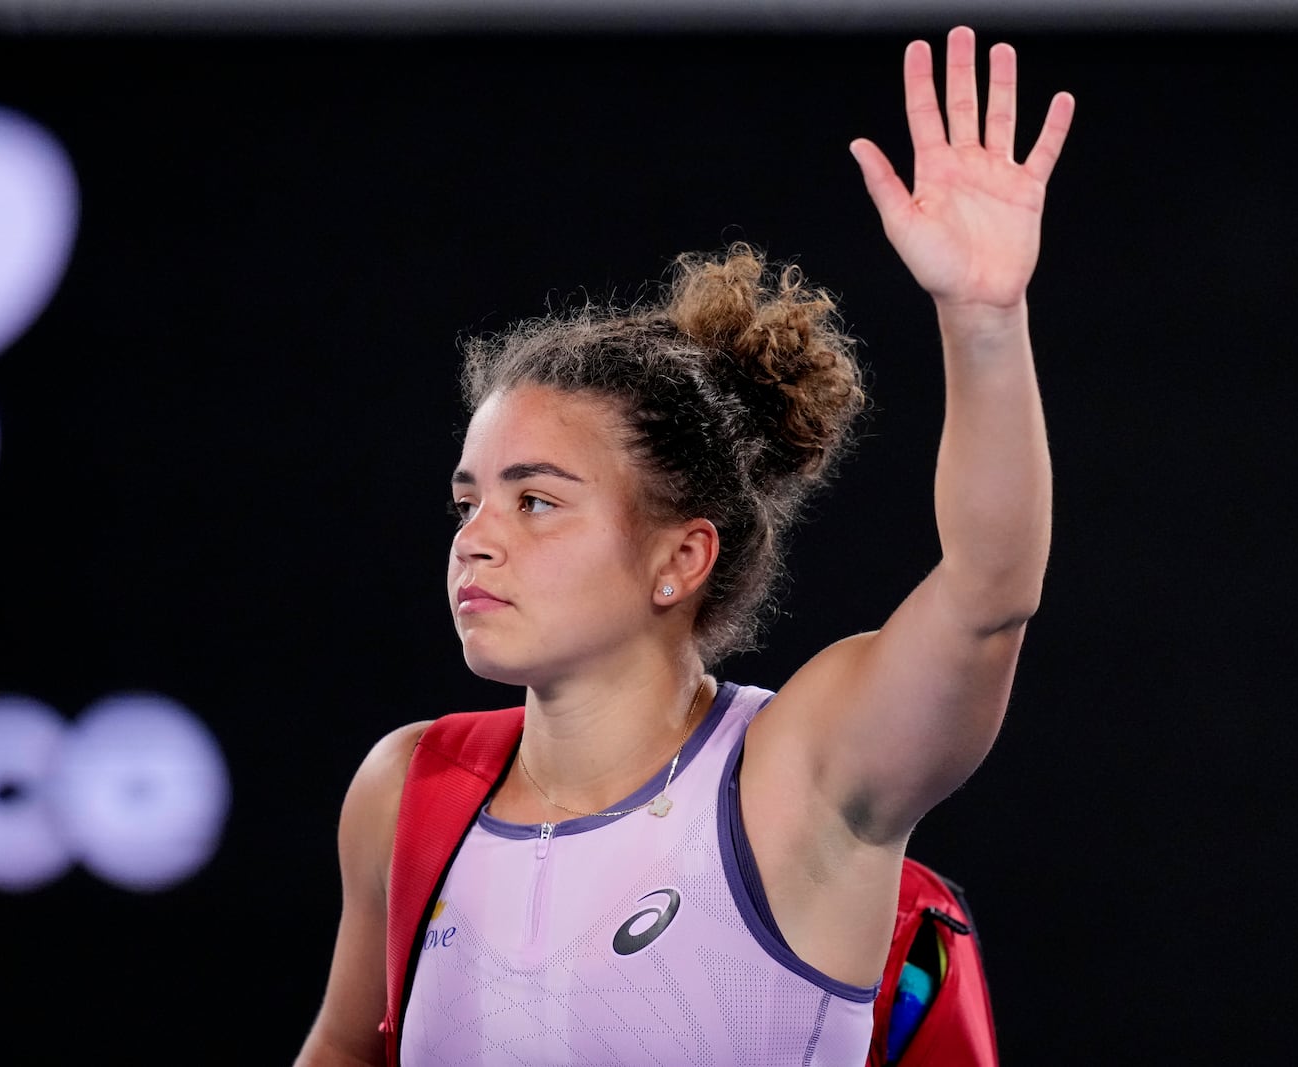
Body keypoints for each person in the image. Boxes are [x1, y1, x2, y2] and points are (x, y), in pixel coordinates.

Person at [295, 26, 1074, 1067]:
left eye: (535, 502)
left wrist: (983, 318)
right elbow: (346, 1048)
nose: (474, 539)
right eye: (468, 500)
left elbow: (989, 588)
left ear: (680, 557)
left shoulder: (800, 776)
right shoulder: (402, 788)